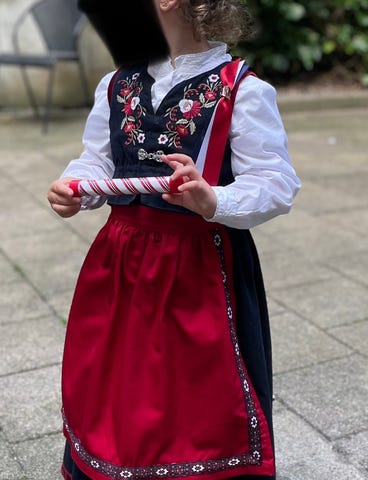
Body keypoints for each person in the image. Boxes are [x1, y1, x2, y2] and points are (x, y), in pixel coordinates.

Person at [47, 0, 301, 479]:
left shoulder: (241, 89)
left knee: (197, 394)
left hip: (199, 268)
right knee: (118, 382)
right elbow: (98, 159)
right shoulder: (116, 84)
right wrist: (76, 186)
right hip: (121, 262)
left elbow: (275, 182)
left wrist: (214, 199)